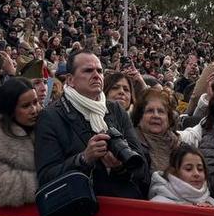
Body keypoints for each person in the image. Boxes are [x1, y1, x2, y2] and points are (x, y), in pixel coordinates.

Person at [34, 49, 149, 199]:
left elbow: (143, 169)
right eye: (88, 71)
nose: (96, 75)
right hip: (81, 209)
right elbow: (46, 178)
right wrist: (84, 159)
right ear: (70, 80)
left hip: (123, 205)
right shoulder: (51, 116)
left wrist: (120, 166)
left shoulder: (116, 110)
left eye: (99, 71)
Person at [0, 77, 41, 207]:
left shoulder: (46, 127)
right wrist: (47, 181)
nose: (34, 110)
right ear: (10, 109)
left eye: (35, 102)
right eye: (26, 106)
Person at [131, 88, 179, 174]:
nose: (156, 115)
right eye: (150, 111)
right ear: (139, 118)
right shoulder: (130, 145)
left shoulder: (178, 146)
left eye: (161, 111)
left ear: (169, 119)